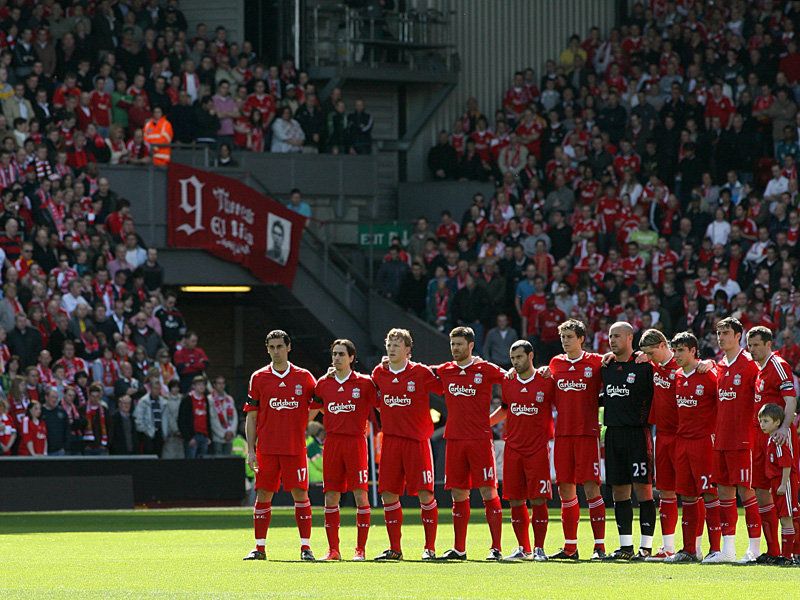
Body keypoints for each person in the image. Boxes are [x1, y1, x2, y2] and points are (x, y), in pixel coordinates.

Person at [242, 330, 317, 561]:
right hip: (267, 449)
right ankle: (260, 548)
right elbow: (252, 417)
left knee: (300, 494)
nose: (276, 351)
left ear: (288, 348)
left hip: (294, 448)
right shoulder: (259, 377)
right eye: (272, 347)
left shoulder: (304, 377)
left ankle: (306, 548)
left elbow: (320, 400)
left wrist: (303, 423)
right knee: (263, 494)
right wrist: (251, 450)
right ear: (267, 349)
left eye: (279, 347)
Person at [369, 328, 442, 561]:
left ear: (408, 350)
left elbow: (445, 386)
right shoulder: (379, 373)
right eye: (389, 345)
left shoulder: (420, 372)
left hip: (416, 441)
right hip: (390, 441)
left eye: (396, 345)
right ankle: (395, 549)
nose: (391, 349)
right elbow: (374, 398)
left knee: (425, 493)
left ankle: (429, 548)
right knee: (388, 494)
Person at [436, 326, 506, 561]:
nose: (455, 348)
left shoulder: (485, 369)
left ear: (471, 346)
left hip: (479, 439)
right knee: (458, 493)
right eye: (452, 344)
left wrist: (494, 418)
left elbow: (512, 379)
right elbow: (416, 374)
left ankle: (495, 548)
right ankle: (459, 548)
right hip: (454, 439)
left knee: (488, 490)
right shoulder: (445, 370)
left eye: (459, 344)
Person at [545, 319, 607, 560]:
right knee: (565, 489)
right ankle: (570, 547)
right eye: (563, 337)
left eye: (570, 336)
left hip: (586, 434)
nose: (565, 341)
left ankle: (599, 547)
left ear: (581, 338)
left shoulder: (596, 362)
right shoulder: (555, 364)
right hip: (562, 435)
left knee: (591, 487)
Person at [312, 339, 377, 561]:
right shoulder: (323, 384)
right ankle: (333, 550)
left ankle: (360, 549)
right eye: (334, 354)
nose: (337, 358)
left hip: (355, 443)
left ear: (351, 357)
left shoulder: (365, 383)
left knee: (360, 493)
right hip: (332, 443)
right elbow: (313, 409)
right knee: (331, 496)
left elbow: (381, 403)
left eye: (341, 354)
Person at [490, 340, 554, 561]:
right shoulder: (507, 382)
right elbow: (506, 409)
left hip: (537, 449)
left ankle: (539, 549)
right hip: (513, 448)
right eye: (513, 358)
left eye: (519, 357)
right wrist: (486, 423)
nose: (515, 362)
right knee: (515, 499)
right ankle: (522, 547)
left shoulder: (546, 381)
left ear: (531, 356)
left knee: (538, 499)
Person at [600, 322, 656, 561]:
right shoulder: (606, 366)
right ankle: (625, 547)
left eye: (617, 336)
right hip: (612, 434)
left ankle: (646, 547)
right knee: (619, 491)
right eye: (610, 336)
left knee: (643, 489)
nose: (612, 340)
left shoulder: (645, 366)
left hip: (637, 434)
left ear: (630, 337)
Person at [665, 331, 720, 563]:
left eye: (680, 350)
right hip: (682, 442)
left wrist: (712, 364)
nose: (676, 355)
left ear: (693, 351)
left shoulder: (709, 375)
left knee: (709, 494)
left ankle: (716, 549)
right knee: (687, 495)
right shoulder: (677, 375)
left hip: (704, 442)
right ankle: (690, 549)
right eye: (674, 350)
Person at [711, 317, 762, 563]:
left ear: (738, 335)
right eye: (719, 333)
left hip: (743, 440)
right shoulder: (719, 366)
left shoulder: (750, 365)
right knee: (724, 493)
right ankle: (728, 549)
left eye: (726, 333)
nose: (721, 337)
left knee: (747, 492)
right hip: (721, 439)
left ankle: (754, 548)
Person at [748, 325, 798, 564]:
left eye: (757, 345)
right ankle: (773, 551)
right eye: (750, 345)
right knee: (760, 490)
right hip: (761, 439)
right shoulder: (759, 371)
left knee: (787, 495)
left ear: (769, 344)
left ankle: (792, 552)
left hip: (778, 439)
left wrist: (784, 428)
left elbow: (790, 400)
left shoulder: (779, 365)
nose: (753, 349)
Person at [758, 403, 800, 565]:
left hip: (785, 482)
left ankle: (787, 556)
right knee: (784, 517)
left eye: (766, 421)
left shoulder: (778, 439)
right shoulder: (771, 439)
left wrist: (783, 484)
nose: (762, 424)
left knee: (786, 518)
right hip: (777, 483)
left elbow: (787, 464)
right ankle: (788, 554)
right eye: (761, 421)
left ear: (777, 423)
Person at [134, 367, 166, 456]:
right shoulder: (143, 401)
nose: (157, 391)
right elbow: (138, 418)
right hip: (147, 433)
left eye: (159, 389)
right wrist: (146, 431)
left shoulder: (163, 402)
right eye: (155, 388)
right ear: (151, 388)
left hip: (160, 433)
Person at [179, 375, 211, 459]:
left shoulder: (206, 400)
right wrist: (188, 438)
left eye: (203, 384)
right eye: (199, 384)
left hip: (204, 436)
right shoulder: (187, 400)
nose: (202, 387)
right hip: (193, 437)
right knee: (191, 464)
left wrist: (209, 437)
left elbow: (208, 419)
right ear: (193, 386)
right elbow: (181, 420)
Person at [209, 375, 237, 455]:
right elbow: (212, 419)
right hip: (217, 437)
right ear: (214, 385)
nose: (221, 385)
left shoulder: (229, 399)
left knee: (228, 461)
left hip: (229, 436)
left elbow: (235, 417)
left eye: (223, 383)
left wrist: (231, 431)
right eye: (219, 383)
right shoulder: (210, 399)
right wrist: (222, 434)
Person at [81, 383, 110, 455]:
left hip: (102, 446)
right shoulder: (82, 409)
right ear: (89, 396)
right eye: (93, 396)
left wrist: (107, 444)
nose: (95, 399)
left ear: (100, 396)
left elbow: (109, 427)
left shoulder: (104, 410)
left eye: (97, 396)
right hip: (87, 447)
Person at [41, 386, 69, 456]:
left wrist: (65, 447)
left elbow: (67, 429)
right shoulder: (40, 411)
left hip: (60, 450)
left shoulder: (62, 412)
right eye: (53, 397)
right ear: (46, 397)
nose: (55, 400)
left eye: (56, 398)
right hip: (43, 450)